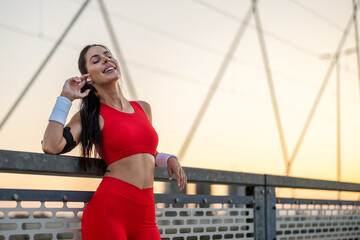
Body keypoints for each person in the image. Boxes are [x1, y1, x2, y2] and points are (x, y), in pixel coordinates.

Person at [42, 44, 187, 239]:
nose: (105, 59)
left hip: (145, 217)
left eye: (108, 55)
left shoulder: (143, 108)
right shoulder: (90, 116)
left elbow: (144, 151)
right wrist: (65, 97)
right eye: (96, 60)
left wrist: (168, 158)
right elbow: (51, 145)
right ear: (88, 78)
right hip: (109, 213)